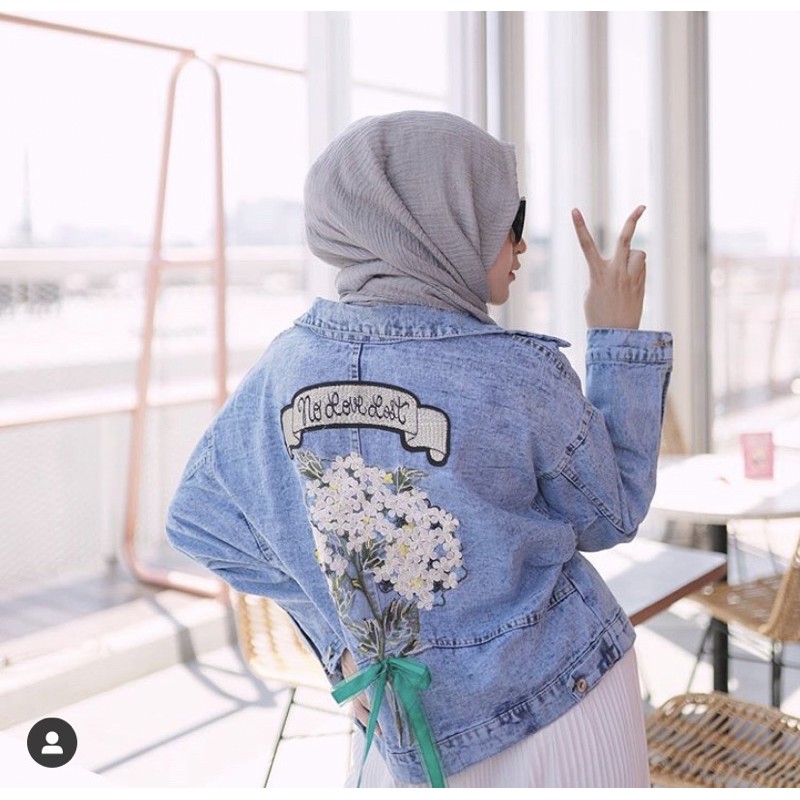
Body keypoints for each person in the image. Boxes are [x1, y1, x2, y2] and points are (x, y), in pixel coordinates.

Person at [166, 110, 672, 787]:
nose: (521, 243)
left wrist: (348, 646)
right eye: (508, 218)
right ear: (439, 221)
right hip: (560, 705)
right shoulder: (516, 372)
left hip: (390, 720)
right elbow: (612, 514)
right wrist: (616, 338)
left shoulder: (283, 368)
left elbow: (200, 518)